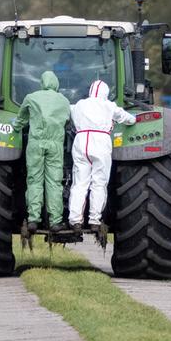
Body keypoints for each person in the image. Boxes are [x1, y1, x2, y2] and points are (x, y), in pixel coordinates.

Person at [68, 80, 136, 234]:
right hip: (101, 142)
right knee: (99, 183)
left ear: (90, 91)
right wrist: (134, 120)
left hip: (80, 141)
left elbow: (68, 112)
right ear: (105, 93)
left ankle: (75, 221)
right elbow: (128, 118)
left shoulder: (79, 105)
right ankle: (94, 220)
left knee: (79, 183)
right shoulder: (109, 105)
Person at [13, 71, 71, 233]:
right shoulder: (64, 101)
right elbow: (67, 121)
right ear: (56, 83)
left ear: (42, 82)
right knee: (54, 182)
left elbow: (21, 120)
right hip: (55, 145)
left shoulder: (31, 97)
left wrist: (15, 128)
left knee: (34, 180)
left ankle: (33, 220)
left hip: (36, 144)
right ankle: (55, 222)